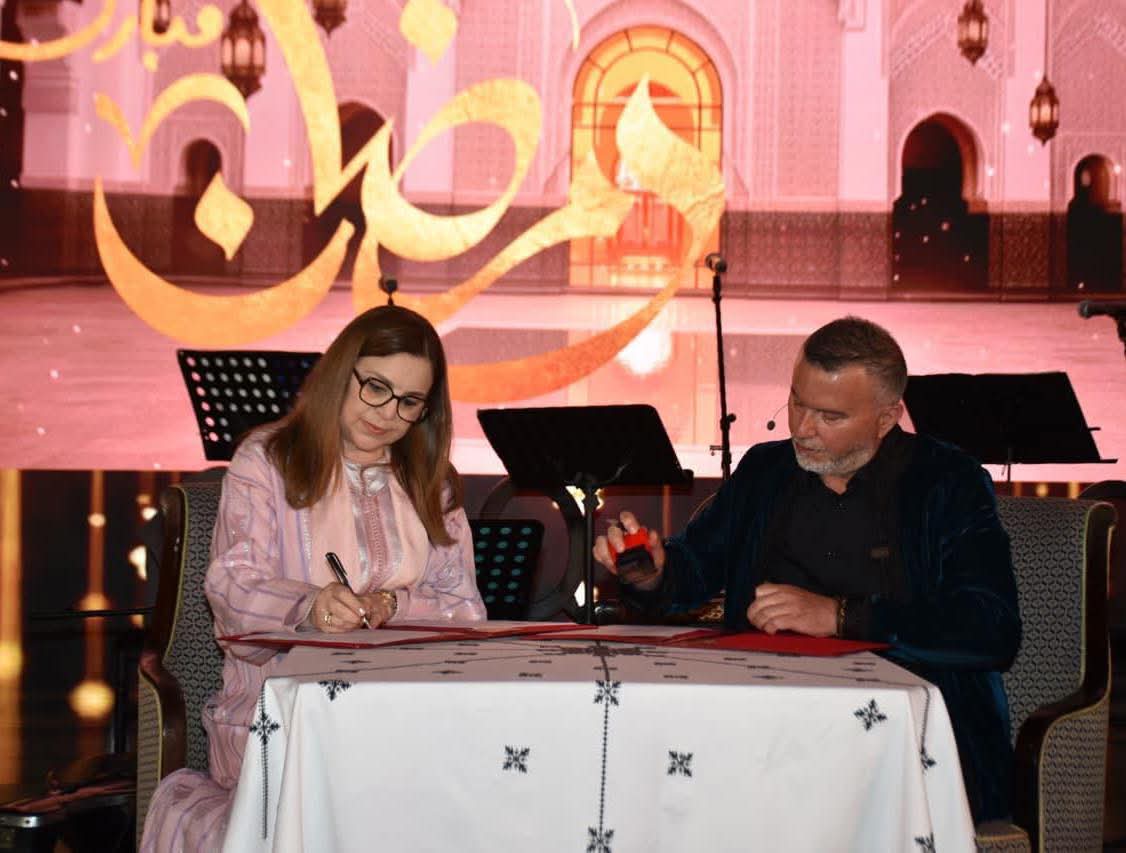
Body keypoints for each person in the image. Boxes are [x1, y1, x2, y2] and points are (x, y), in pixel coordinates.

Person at [594, 316, 1021, 823]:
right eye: (797, 402)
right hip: (762, 726)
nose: (802, 428)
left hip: (900, 740)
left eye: (830, 416)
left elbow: (990, 629)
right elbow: (693, 569)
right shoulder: (765, 471)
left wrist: (840, 617)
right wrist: (653, 576)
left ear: (887, 418)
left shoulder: (947, 483)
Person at [141, 305, 486, 851]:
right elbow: (232, 586)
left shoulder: (430, 481)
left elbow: (463, 606)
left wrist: (392, 605)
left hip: (403, 712)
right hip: (282, 719)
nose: (388, 413)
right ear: (341, 373)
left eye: (409, 401)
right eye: (376, 387)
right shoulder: (267, 460)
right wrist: (309, 606)